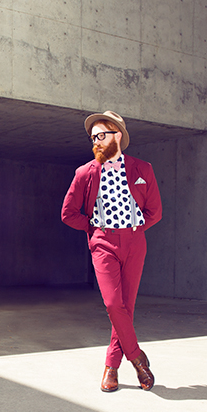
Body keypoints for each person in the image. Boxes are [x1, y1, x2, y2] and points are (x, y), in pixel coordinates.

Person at [61, 111, 162, 392]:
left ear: (117, 135)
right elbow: (68, 213)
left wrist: (135, 230)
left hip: (134, 242)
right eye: (93, 137)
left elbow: (155, 211)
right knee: (113, 304)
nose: (96, 141)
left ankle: (111, 366)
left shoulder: (143, 169)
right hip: (103, 243)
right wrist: (93, 229)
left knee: (126, 307)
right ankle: (137, 359)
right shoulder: (85, 173)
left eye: (101, 135)